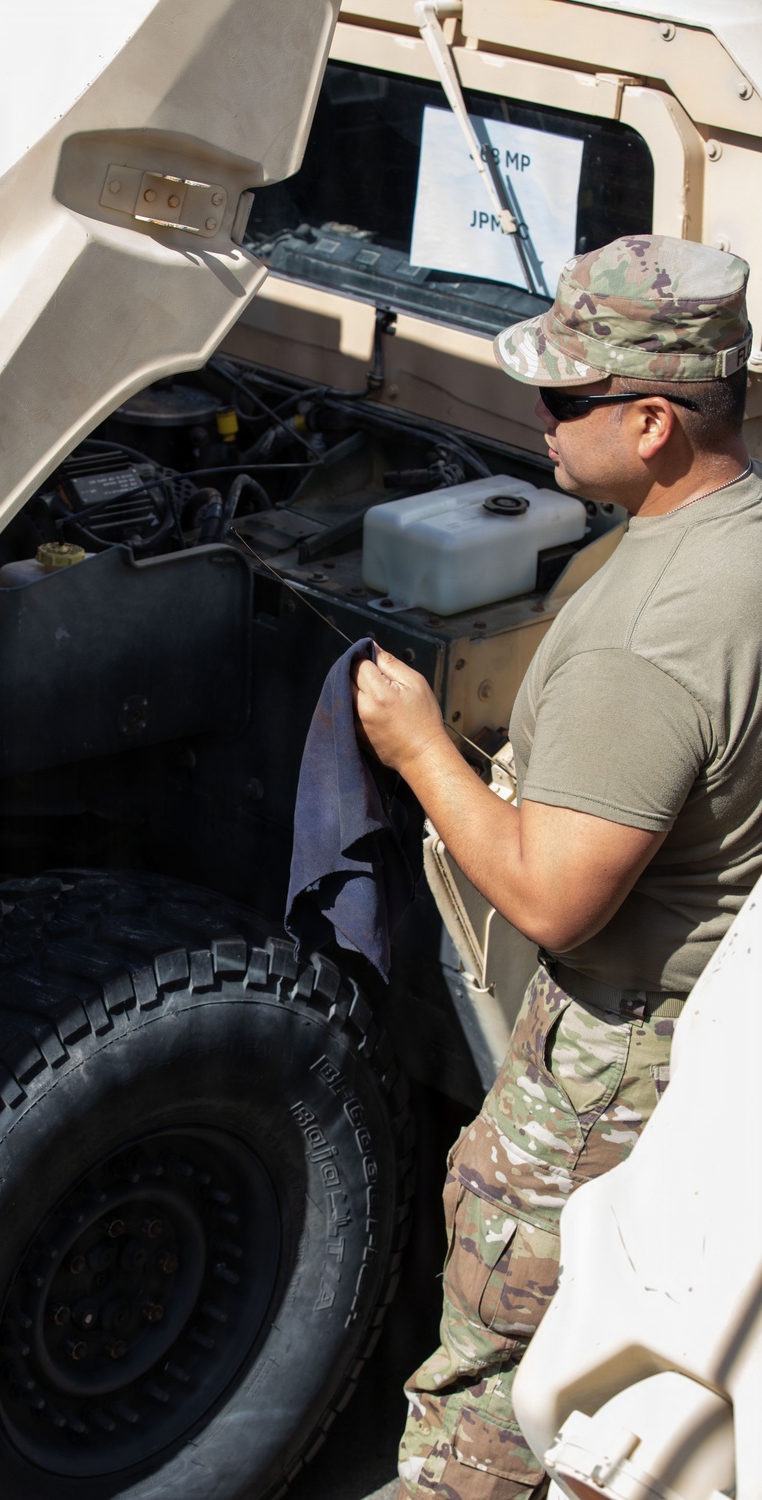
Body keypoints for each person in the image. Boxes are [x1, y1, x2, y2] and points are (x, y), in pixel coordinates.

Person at [352, 234, 762, 1499]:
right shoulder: (732, 529)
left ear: (651, 422)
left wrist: (422, 749)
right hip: (709, 1011)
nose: (535, 420)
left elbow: (550, 897)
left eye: (562, 399)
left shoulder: (649, 641)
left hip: (619, 1059)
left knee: (509, 1383)